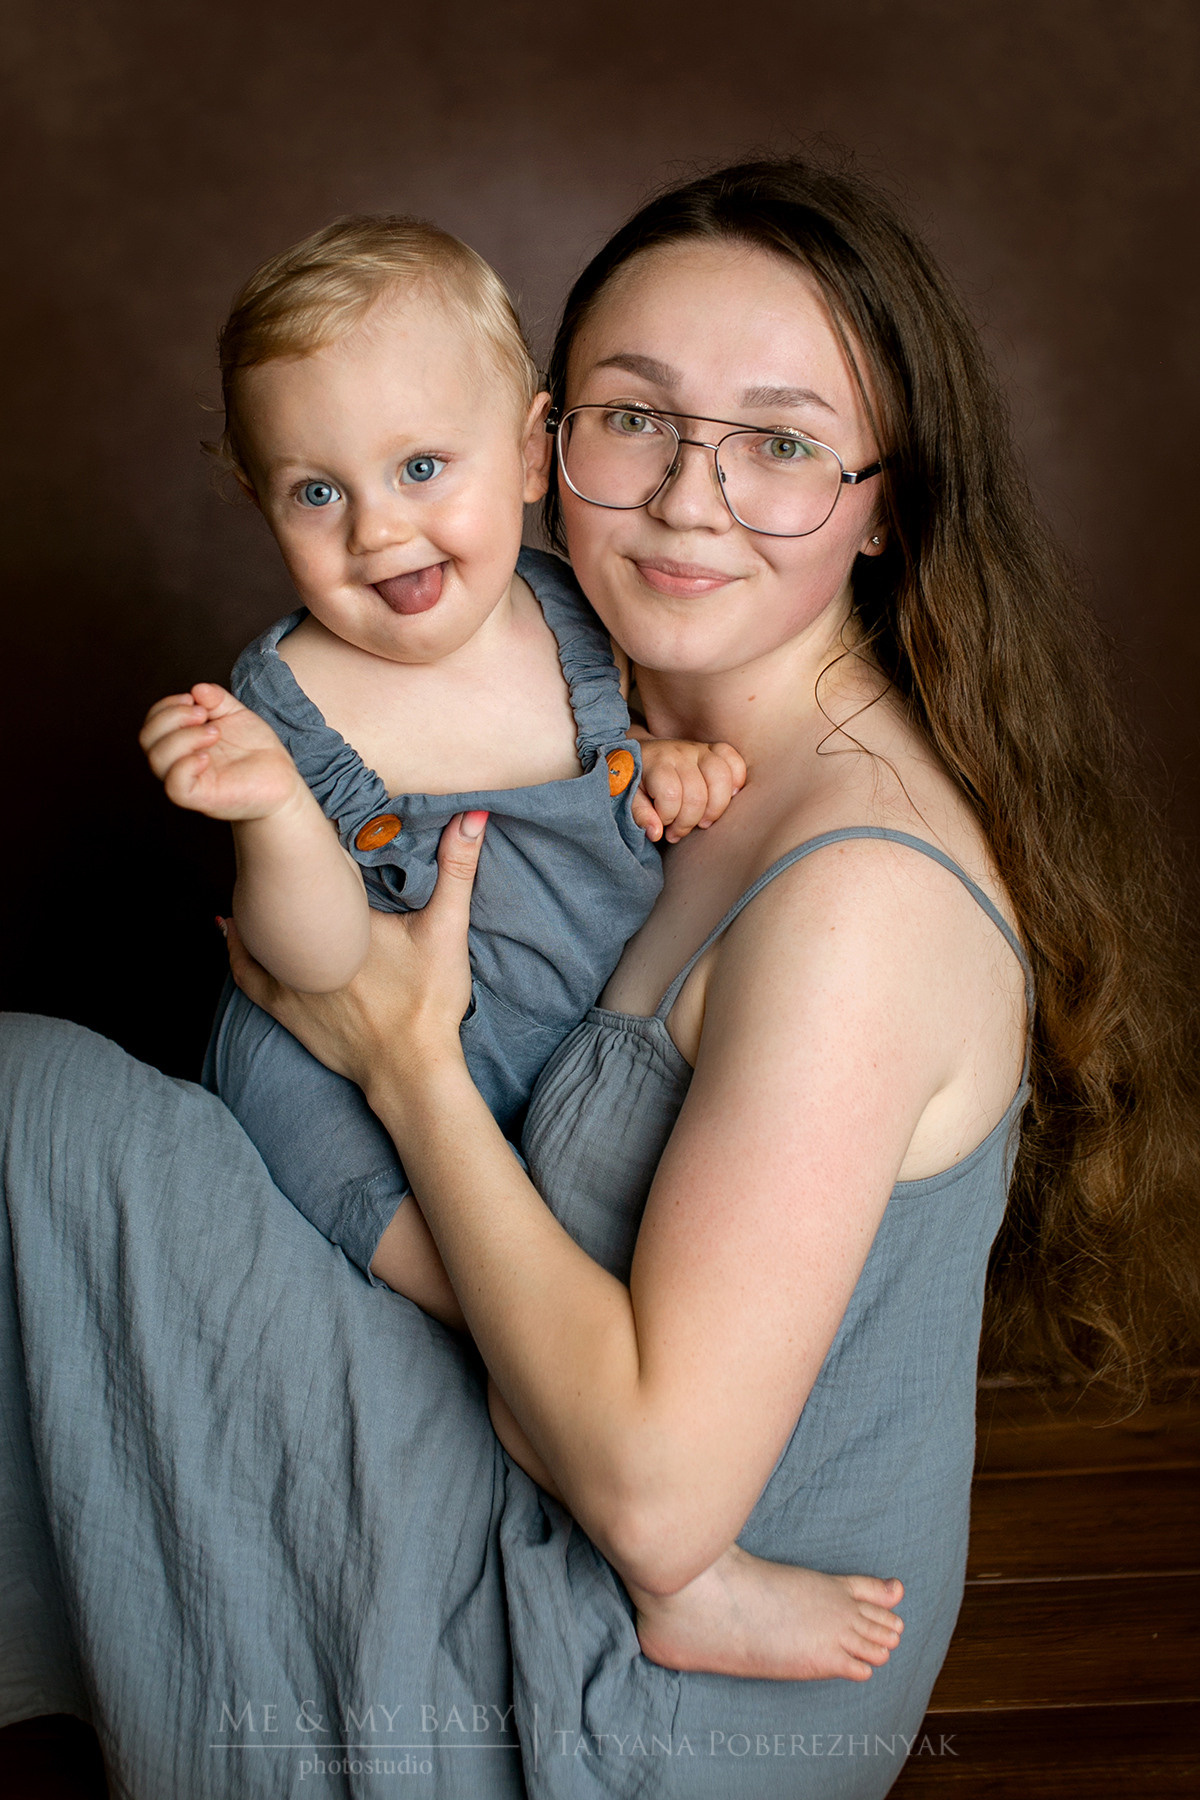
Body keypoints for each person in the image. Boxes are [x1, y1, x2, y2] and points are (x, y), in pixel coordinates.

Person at [1, 157, 1195, 1800]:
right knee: (40, 1126)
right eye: (636, 419)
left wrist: (408, 1060)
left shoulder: (860, 902)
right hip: (536, 1470)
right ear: (551, 439)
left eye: (780, 443)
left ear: (886, 501)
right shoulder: (628, 703)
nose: (688, 500)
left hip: (631, 1696)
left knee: (24, 1128)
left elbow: (653, 1500)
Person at [138, 213, 902, 1676]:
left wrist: (664, 783)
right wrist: (271, 818)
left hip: (533, 1053)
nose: (381, 531)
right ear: (256, 499)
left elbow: (617, 793)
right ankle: (683, 1588)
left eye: (424, 468)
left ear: (532, 448)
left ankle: (597, 1475)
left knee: (588, 1298)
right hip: (338, 1086)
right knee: (508, 1321)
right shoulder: (288, 696)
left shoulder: (566, 615)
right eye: (317, 491)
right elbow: (309, 962)